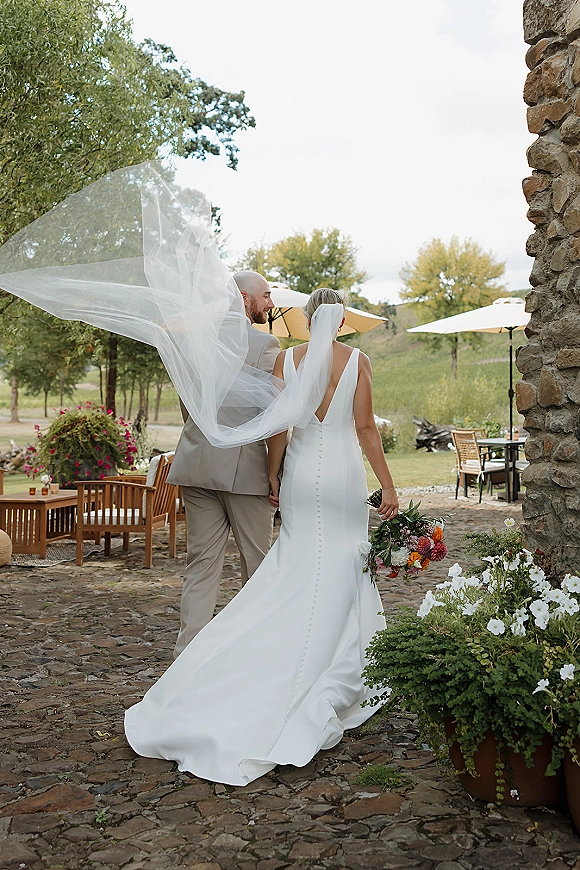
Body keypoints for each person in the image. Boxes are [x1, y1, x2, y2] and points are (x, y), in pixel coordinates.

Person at [124, 287, 399, 786]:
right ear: (338, 323)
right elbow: (365, 430)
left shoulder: (286, 363)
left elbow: (279, 430)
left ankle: (258, 651)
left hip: (300, 474)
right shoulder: (358, 361)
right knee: (345, 560)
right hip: (341, 477)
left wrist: (273, 476)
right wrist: (388, 486)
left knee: (296, 562)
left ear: (307, 319)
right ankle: (345, 657)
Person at [168, 270, 280, 658]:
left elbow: (188, 406)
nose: (269, 303)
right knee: (257, 564)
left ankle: (188, 657)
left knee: (200, 563)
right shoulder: (265, 344)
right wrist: (274, 472)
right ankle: (256, 653)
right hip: (244, 469)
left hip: (196, 462)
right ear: (244, 297)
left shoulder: (195, 342)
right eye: (265, 296)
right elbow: (274, 415)